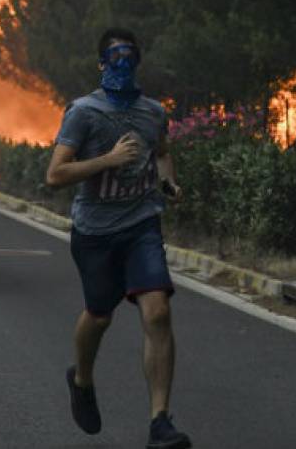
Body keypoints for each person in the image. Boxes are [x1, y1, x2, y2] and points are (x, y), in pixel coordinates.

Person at [45, 28, 191, 449]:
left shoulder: (152, 112)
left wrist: (169, 184)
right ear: (101, 64)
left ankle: (160, 422)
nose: (123, 66)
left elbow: (161, 150)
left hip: (141, 224)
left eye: (130, 58)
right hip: (94, 231)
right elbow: (54, 175)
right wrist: (109, 160)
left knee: (158, 312)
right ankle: (82, 379)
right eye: (115, 58)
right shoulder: (83, 113)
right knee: (100, 315)